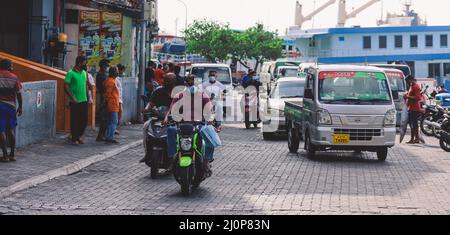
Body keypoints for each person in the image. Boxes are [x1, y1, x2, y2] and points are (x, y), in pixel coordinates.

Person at [163, 75, 216, 173]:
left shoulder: (203, 96)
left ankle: (206, 161)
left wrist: (210, 121)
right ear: (185, 84)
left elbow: (211, 111)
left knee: (210, 137)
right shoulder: (179, 96)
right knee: (171, 130)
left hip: (199, 125)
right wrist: (167, 118)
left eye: (193, 83)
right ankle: (173, 158)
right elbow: (171, 109)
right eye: (189, 83)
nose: (191, 85)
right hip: (182, 125)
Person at [64, 56, 92, 145]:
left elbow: (86, 86)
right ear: (79, 63)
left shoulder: (84, 73)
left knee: (84, 120)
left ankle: (78, 135)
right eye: (85, 62)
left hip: (84, 100)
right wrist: (72, 98)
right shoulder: (70, 73)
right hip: (74, 101)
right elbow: (66, 86)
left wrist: (88, 98)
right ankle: (75, 138)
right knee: (75, 120)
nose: (86, 64)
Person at [0, 59, 23, 162]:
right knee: (11, 130)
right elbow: (19, 94)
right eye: (12, 65)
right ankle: (12, 154)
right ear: (9, 66)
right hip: (11, 107)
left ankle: (5, 155)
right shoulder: (15, 77)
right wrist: (20, 106)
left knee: (1, 130)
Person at [404, 75, 424, 144]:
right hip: (411, 108)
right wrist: (407, 95)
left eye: (408, 81)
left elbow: (418, 98)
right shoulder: (412, 86)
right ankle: (414, 139)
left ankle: (415, 139)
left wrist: (407, 96)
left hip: (414, 109)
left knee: (413, 124)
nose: (408, 83)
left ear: (411, 80)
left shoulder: (416, 86)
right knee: (412, 124)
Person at [103, 67, 121, 144]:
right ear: (114, 73)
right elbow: (107, 94)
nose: (118, 72)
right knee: (113, 121)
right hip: (112, 104)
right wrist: (106, 102)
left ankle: (109, 136)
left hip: (113, 104)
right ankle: (109, 137)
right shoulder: (110, 81)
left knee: (111, 121)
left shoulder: (111, 80)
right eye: (117, 71)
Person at [96, 59, 110, 141]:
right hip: (103, 97)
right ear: (103, 66)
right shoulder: (101, 75)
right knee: (103, 118)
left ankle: (102, 135)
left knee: (106, 118)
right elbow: (103, 87)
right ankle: (100, 135)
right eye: (106, 66)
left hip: (106, 97)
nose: (107, 67)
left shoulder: (104, 74)